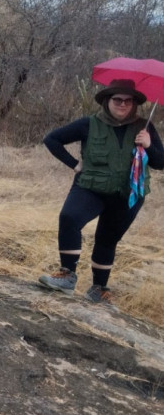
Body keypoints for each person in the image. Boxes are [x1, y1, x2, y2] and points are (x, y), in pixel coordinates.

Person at [38, 78, 164, 303]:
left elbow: (160, 162)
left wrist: (148, 145)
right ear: (107, 100)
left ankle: (99, 289)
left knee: (107, 240)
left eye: (128, 100)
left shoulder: (145, 128)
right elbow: (52, 139)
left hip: (128, 194)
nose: (123, 104)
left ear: (135, 103)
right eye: (117, 99)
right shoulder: (89, 123)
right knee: (69, 218)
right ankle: (67, 276)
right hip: (90, 188)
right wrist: (76, 165)